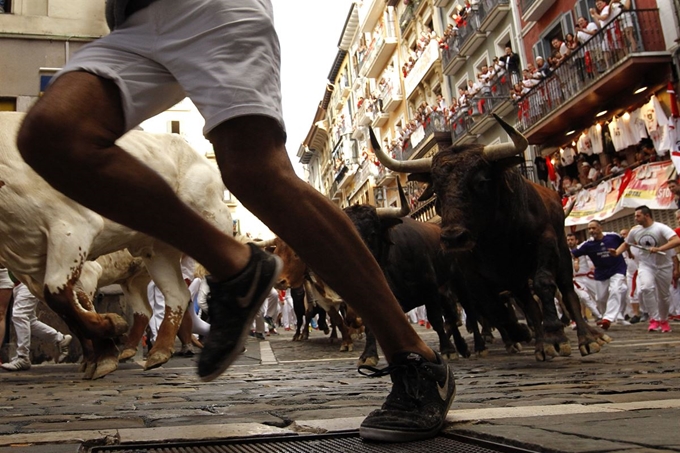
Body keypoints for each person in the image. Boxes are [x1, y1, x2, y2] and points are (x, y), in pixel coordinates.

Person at [15, 0, 454, 442]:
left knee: (256, 173)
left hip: (209, 6)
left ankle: (413, 356)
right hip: (129, 23)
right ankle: (236, 265)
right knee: (52, 134)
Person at [610, 206, 680, 333]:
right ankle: (654, 319)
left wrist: (660, 249)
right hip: (646, 265)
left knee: (663, 296)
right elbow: (627, 244)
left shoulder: (660, 228)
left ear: (646, 215)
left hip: (664, 266)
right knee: (646, 288)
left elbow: (676, 240)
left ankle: (664, 320)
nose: (635, 218)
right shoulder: (635, 231)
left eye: (638, 216)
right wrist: (616, 253)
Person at [1, 283, 72, 371]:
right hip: (19, 284)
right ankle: (60, 339)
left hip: (28, 282)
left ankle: (23, 357)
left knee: (20, 315)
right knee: (30, 322)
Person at [571, 220, 628, 330]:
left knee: (615, 290)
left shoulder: (613, 236)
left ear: (600, 228)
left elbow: (625, 244)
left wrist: (619, 252)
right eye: (589, 229)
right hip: (601, 273)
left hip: (617, 269)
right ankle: (604, 316)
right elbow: (574, 253)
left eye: (593, 228)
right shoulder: (588, 245)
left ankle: (608, 318)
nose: (591, 231)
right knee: (601, 298)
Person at [566, 234, 603, 322]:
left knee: (599, 297)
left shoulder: (582, 248)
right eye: (568, 240)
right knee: (584, 297)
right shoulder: (565, 253)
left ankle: (603, 314)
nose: (570, 242)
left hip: (588, 276)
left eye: (572, 239)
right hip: (576, 279)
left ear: (576, 241)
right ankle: (599, 316)